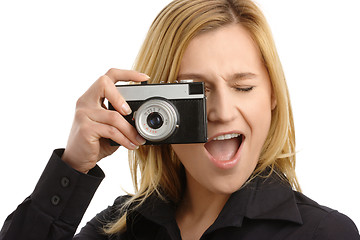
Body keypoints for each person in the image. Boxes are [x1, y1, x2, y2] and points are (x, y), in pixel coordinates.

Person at [1, 0, 359, 239]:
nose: (221, 112)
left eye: (244, 87)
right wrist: (73, 167)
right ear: (156, 107)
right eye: (196, 92)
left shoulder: (325, 233)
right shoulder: (120, 228)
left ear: (273, 97)